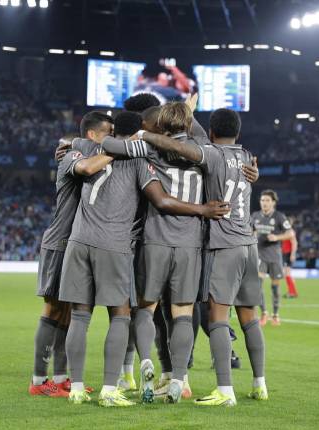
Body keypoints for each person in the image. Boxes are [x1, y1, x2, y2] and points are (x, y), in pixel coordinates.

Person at [61, 113, 230, 407]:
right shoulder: (143, 159)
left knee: (79, 316)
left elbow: (73, 144)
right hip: (118, 245)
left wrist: (73, 142)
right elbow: (161, 200)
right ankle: (117, 388)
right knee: (126, 315)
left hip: (79, 241)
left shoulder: (84, 149)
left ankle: (76, 388)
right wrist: (203, 209)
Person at [138, 108, 266, 407]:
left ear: (210, 133)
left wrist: (144, 134)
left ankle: (225, 390)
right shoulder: (247, 156)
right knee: (250, 320)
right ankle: (260, 384)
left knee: (217, 319)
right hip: (250, 245)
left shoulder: (210, 154)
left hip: (223, 244)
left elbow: (181, 146)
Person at [29, 111, 115, 397]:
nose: (112, 138)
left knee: (68, 312)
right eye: (108, 133)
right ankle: (39, 381)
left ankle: (62, 376)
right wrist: (119, 151)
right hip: (59, 242)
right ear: (92, 135)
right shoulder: (73, 157)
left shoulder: (85, 152)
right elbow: (87, 168)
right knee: (53, 309)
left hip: (77, 243)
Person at [252, 191, 294, 326]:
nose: (264, 203)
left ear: (273, 202)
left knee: (275, 287)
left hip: (275, 256)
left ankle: (275, 315)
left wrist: (277, 237)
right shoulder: (255, 216)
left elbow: (290, 233)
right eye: (262, 200)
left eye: (267, 200)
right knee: (257, 284)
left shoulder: (279, 217)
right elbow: (251, 231)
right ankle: (264, 313)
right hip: (260, 255)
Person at [282, 221, 299, 299]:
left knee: (287, 274)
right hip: (285, 254)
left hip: (288, 254)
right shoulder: (285, 231)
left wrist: (293, 254)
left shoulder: (290, 231)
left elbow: (294, 243)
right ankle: (292, 291)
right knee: (287, 274)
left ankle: (292, 292)